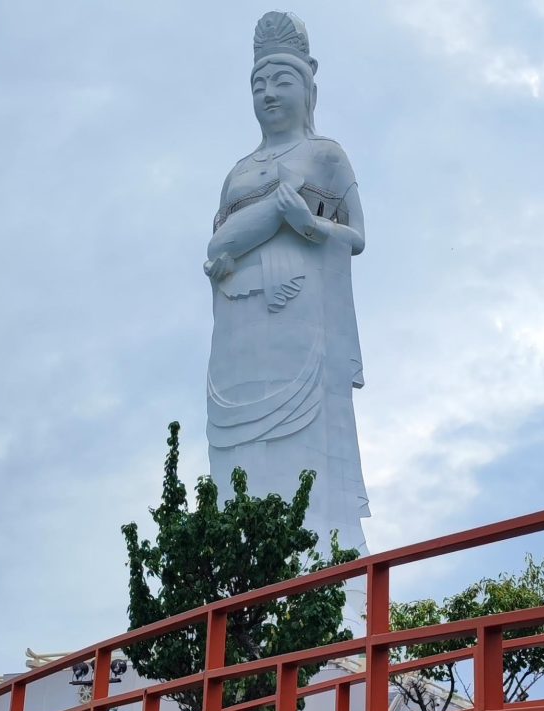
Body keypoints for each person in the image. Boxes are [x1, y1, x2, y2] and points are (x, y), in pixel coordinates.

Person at [203, 11, 370, 552]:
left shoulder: (324, 156)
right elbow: (216, 249)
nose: (269, 94)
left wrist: (306, 224)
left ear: (308, 86)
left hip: (299, 321)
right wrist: (270, 217)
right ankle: (237, 581)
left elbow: (358, 236)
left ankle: (318, 574)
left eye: (282, 81)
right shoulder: (236, 172)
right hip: (238, 334)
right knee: (236, 467)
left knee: (302, 455)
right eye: (258, 84)